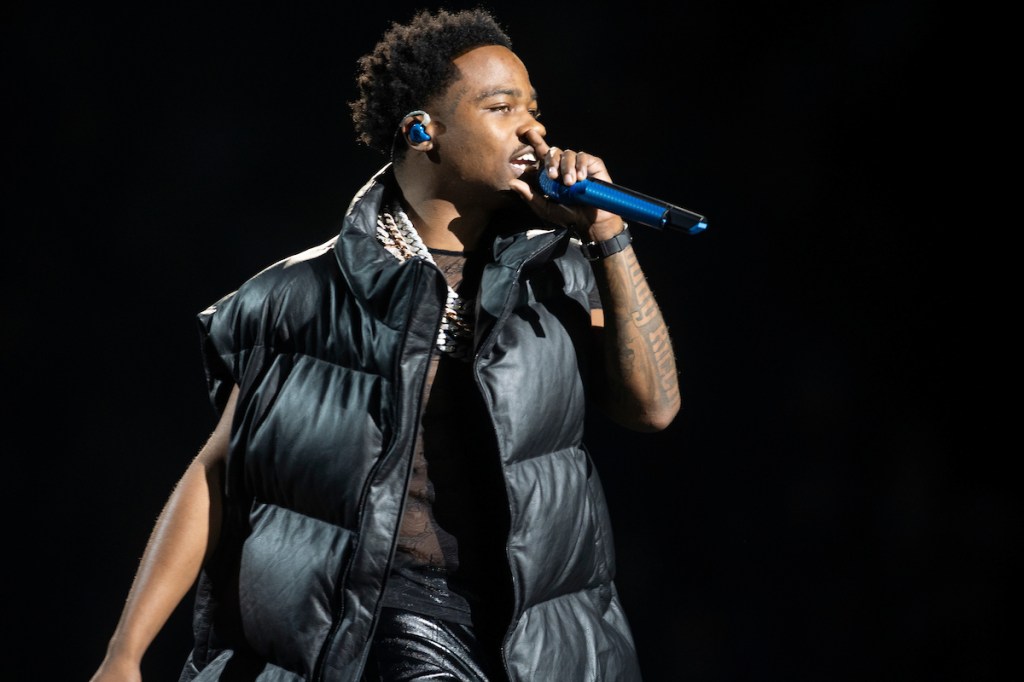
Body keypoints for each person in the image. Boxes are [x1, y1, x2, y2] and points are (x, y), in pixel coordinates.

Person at [90, 8, 681, 682]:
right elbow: (219, 472)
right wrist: (125, 653)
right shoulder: (302, 295)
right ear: (421, 131)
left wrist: (607, 233)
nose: (534, 131)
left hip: (541, 639)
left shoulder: (559, 273)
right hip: (390, 621)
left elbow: (654, 408)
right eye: (500, 107)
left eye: (534, 110)